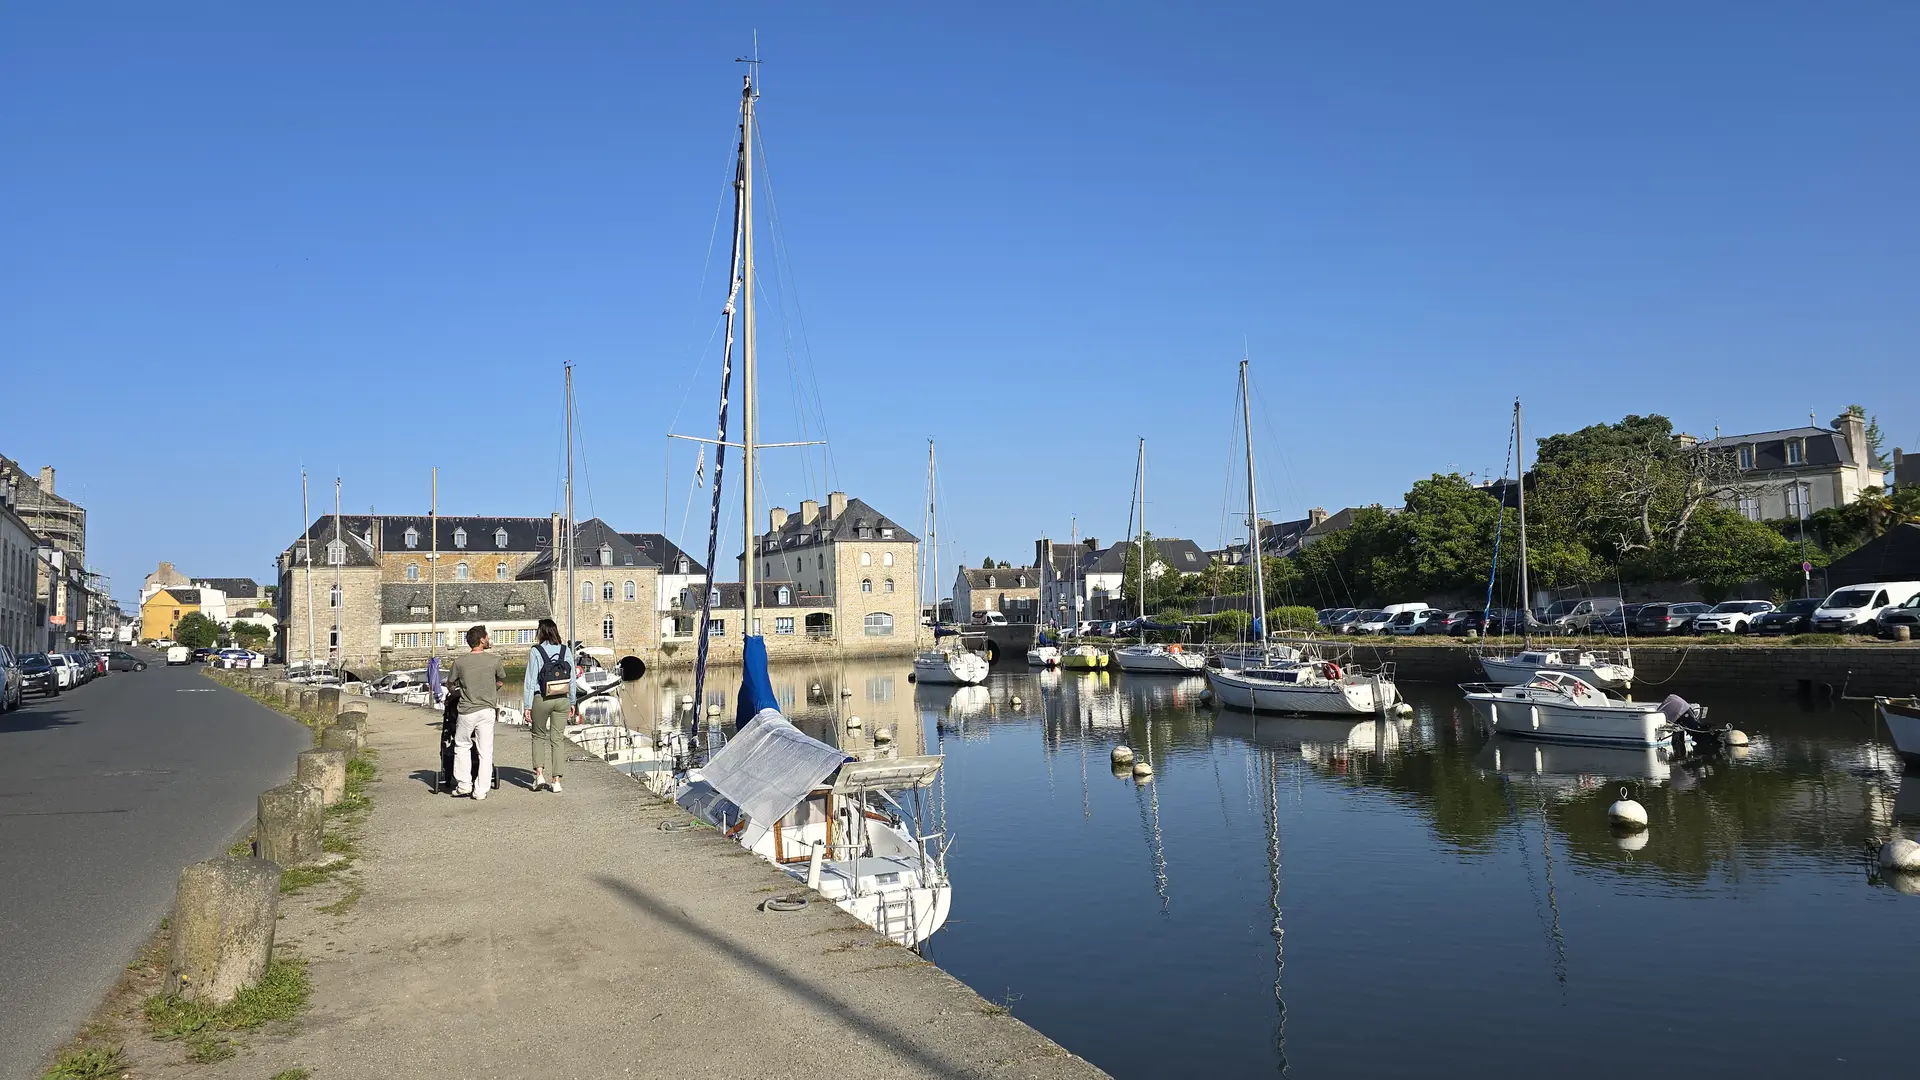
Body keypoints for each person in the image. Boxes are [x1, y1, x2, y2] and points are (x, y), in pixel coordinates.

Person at [446, 624, 506, 800]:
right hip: (487, 709)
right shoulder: (494, 660)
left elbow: (450, 684)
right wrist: (491, 689)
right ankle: (480, 790)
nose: (489, 639)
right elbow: (501, 681)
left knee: (462, 745)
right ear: (481, 640)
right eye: (487, 637)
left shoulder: (460, 662)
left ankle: (464, 784)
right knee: (485, 751)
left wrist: (458, 692)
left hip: (467, 709)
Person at [522, 618, 577, 793]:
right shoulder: (565, 650)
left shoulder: (536, 651)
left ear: (541, 632)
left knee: (538, 736)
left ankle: (539, 775)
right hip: (562, 698)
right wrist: (573, 701)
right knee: (557, 739)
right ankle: (557, 781)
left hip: (542, 698)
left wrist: (527, 705)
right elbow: (572, 678)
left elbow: (530, 680)